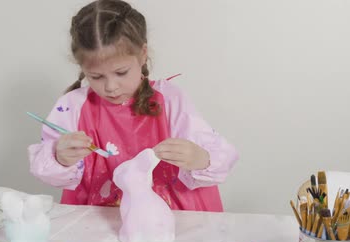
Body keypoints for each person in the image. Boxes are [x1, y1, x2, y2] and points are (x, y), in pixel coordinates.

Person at [28, 0, 238, 212]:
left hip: (172, 216)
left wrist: (198, 157)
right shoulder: (72, 106)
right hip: (100, 219)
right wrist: (60, 157)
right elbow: (48, 171)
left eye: (121, 72)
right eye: (96, 76)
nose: (111, 87)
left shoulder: (170, 99)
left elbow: (221, 157)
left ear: (143, 53)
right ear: (82, 67)